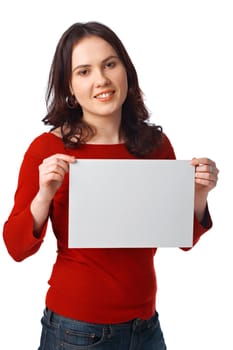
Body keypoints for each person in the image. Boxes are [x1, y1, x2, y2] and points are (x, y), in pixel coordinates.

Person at [3, 21, 219, 350]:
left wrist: (199, 194)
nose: (101, 80)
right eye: (84, 71)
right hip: (75, 330)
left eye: (109, 64)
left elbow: (183, 238)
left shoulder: (155, 146)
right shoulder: (46, 149)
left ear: (126, 71)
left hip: (145, 326)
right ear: (69, 87)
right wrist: (44, 194)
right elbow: (17, 248)